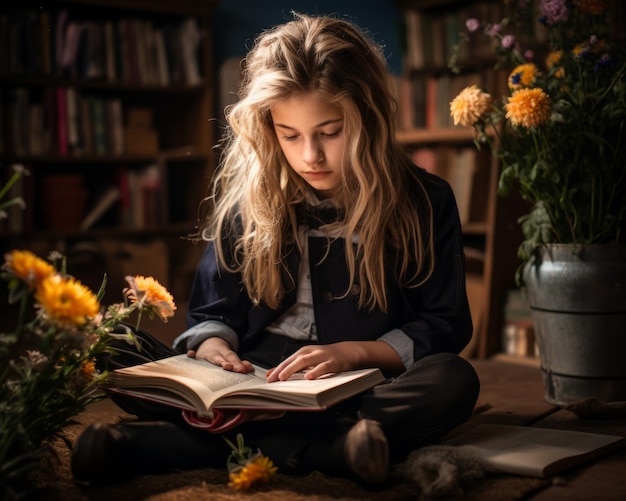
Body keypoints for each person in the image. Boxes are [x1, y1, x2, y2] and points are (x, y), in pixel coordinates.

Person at [71, 12, 480, 487]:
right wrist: (213, 345)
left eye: (330, 131)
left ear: (368, 118)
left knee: (454, 379)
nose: (311, 156)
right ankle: (334, 449)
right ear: (268, 130)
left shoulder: (426, 201)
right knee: (108, 338)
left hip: (355, 383)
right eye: (290, 136)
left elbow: (444, 324)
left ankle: (174, 444)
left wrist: (354, 353)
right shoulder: (250, 197)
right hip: (249, 377)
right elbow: (212, 308)